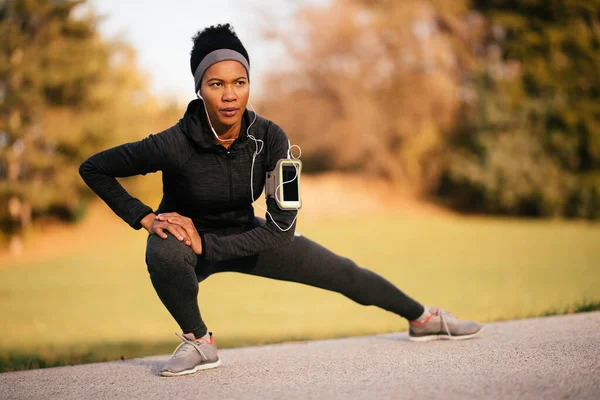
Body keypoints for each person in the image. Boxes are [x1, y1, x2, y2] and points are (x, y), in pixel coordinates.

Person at [79, 24, 482, 377]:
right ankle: (200, 341)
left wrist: (216, 246)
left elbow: (283, 225)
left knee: (343, 272)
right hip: (189, 240)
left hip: (251, 236)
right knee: (162, 251)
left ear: (250, 83)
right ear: (199, 88)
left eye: (240, 82)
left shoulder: (271, 138)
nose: (230, 95)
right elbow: (94, 167)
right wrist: (146, 217)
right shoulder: (173, 142)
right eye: (216, 84)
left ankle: (423, 319)